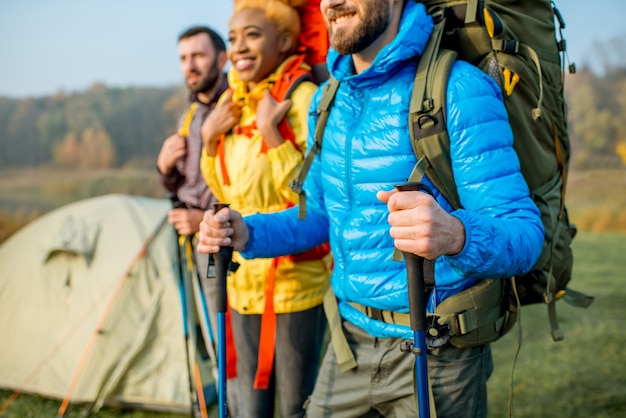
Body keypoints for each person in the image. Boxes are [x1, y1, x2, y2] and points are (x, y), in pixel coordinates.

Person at [198, 0, 546, 417]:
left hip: (437, 352)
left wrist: (455, 234)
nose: (334, 3)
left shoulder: (458, 88)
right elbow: (319, 216)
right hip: (348, 343)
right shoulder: (327, 101)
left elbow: (524, 236)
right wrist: (247, 232)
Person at [198, 1, 332, 417]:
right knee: (249, 409)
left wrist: (273, 134)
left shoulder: (305, 98)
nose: (238, 47)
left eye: (252, 35)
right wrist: (207, 140)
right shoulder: (231, 103)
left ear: (286, 41)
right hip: (242, 284)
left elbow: (313, 198)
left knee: (295, 408)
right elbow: (226, 189)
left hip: (295, 286)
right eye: (233, 37)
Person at [155, 25, 240, 414]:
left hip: (222, 241)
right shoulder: (188, 115)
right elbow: (187, 181)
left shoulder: (235, 107)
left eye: (198, 56)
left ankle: (237, 404)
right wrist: (163, 169)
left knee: (228, 335)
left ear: (222, 59)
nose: (190, 66)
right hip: (190, 241)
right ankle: (225, 400)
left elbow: (237, 185)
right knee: (210, 333)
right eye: (184, 58)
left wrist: (200, 216)